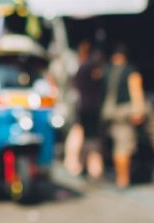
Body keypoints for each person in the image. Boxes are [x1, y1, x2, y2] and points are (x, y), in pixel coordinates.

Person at [101, 45, 150, 188]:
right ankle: (123, 178)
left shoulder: (105, 70)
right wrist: (139, 110)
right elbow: (136, 91)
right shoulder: (130, 71)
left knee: (117, 145)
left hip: (108, 114)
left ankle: (120, 177)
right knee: (123, 146)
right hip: (124, 113)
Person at [64, 47, 105, 179]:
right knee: (90, 139)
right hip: (90, 110)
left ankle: (80, 165)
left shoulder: (81, 69)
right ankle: (90, 167)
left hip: (81, 108)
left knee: (84, 137)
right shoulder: (90, 68)